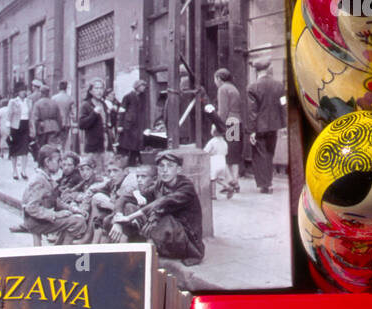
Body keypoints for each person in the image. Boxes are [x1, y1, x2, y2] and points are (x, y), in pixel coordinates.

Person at [112, 150, 204, 262]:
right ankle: (123, 257)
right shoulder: (161, 184)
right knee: (129, 206)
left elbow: (161, 203)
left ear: (179, 169)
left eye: (170, 166)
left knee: (161, 217)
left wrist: (128, 218)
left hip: (186, 242)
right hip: (167, 235)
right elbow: (126, 197)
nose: (165, 170)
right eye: (161, 166)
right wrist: (118, 219)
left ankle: (142, 256)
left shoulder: (186, 187)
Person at [20, 144, 88, 244]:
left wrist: (72, 209)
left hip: (37, 219)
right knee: (78, 221)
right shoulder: (39, 180)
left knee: (72, 216)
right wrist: (56, 215)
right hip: (36, 222)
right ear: (47, 162)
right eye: (58, 161)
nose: (60, 165)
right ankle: (64, 251)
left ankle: (59, 247)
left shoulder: (44, 177)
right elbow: (31, 207)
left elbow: (55, 200)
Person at [247, 59, 287, 194]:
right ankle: (269, 183)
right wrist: (284, 124)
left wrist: (251, 131)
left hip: (259, 127)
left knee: (259, 155)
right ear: (268, 69)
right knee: (270, 153)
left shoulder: (252, 87)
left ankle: (265, 184)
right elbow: (283, 106)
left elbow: (253, 111)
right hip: (274, 126)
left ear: (256, 70)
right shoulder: (279, 86)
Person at [211, 67, 242, 197]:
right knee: (234, 154)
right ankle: (235, 181)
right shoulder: (233, 88)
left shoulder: (222, 89)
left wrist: (216, 125)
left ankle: (231, 182)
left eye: (215, 79)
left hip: (229, 123)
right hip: (236, 121)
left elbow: (222, 111)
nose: (215, 82)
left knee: (226, 152)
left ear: (219, 78)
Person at [117, 78, 148, 166]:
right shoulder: (128, 97)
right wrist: (120, 125)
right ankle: (126, 163)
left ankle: (133, 162)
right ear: (137, 87)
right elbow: (122, 111)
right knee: (128, 145)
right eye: (142, 86)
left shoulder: (142, 97)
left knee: (136, 144)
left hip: (137, 124)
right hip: (128, 125)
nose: (143, 88)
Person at [6, 80, 31, 180]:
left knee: (25, 149)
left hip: (25, 126)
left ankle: (23, 171)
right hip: (15, 127)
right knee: (14, 150)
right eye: (21, 91)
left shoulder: (28, 101)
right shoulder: (13, 102)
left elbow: (31, 115)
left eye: (25, 90)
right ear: (17, 92)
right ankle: (14, 170)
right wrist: (8, 131)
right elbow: (8, 116)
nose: (24, 92)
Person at [31, 85, 63, 160]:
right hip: (54, 126)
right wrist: (60, 128)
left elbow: (35, 118)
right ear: (48, 93)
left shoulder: (37, 103)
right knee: (52, 146)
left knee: (42, 147)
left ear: (41, 93)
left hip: (42, 127)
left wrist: (34, 131)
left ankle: (43, 161)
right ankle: (52, 160)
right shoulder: (54, 103)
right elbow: (59, 117)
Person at [77, 78, 108, 156]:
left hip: (104, 141)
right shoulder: (86, 105)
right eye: (96, 88)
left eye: (101, 88)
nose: (99, 91)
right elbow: (81, 124)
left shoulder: (103, 104)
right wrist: (94, 113)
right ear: (90, 91)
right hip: (92, 144)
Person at [51, 80, 73, 147]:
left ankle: (58, 152)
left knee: (55, 141)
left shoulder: (53, 98)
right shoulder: (70, 99)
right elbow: (72, 112)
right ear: (66, 88)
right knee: (64, 141)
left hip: (56, 123)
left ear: (58, 87)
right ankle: (62, 151)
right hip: (66, 123)